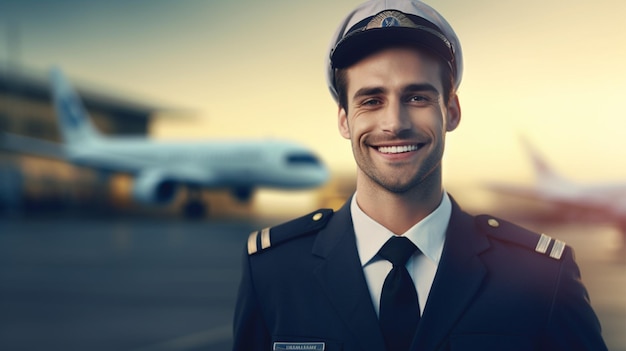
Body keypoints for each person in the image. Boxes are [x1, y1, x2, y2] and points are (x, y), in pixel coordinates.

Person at [232, 0, 608, 350]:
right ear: (344, 120)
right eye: (371, 100)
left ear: (453, 110)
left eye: (417, 97)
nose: (394, 123)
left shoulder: (541, 276)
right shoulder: (273, 271)